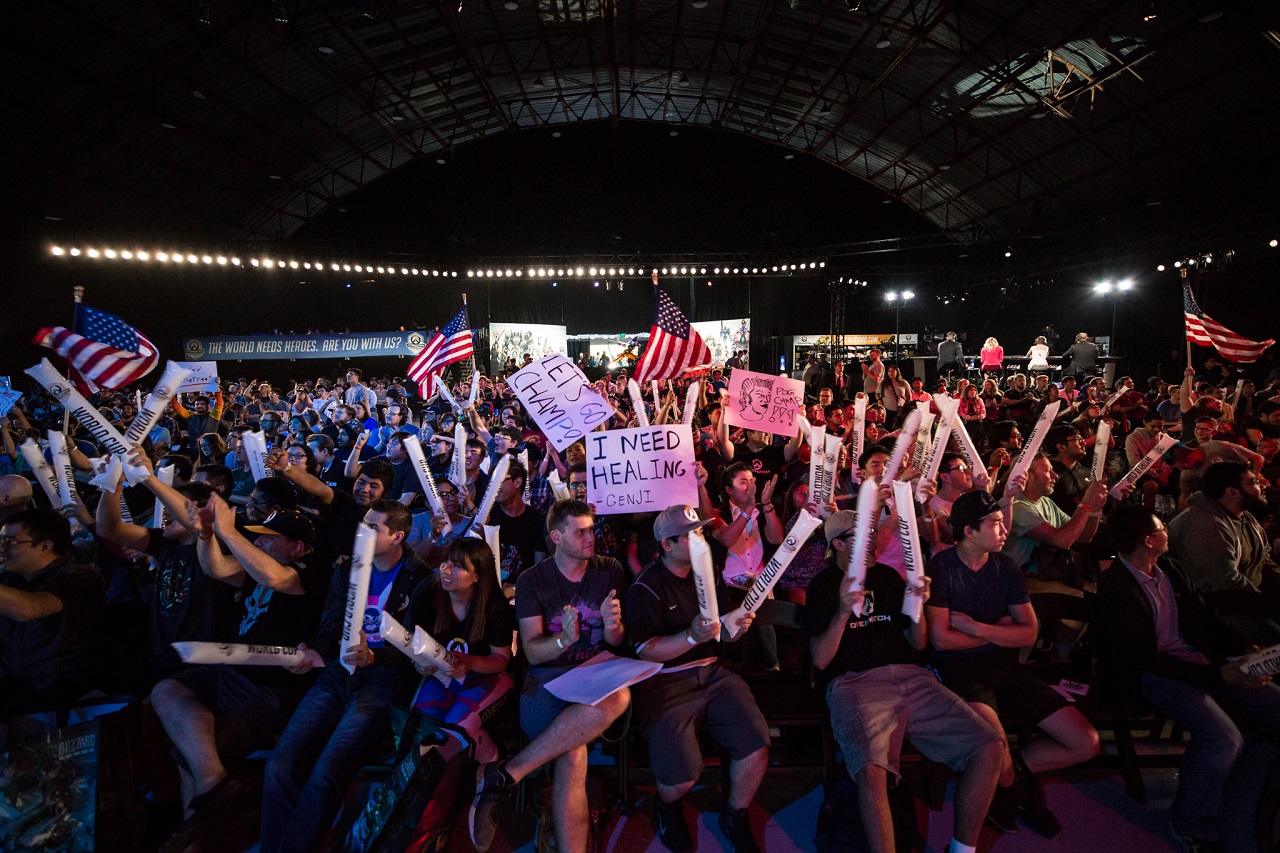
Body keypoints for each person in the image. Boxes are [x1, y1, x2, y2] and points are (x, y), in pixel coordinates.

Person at [809, 508, 1003, 853]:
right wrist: (841, 612)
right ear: (839, 544)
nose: (872, 540)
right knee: (872, 770)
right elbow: (821, 659)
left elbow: (918, 643)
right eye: (861, 536)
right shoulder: (822, 585)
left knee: (988, 746)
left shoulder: (887, 577)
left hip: (910, 675)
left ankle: (962, 850)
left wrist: (918, 607)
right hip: (855, 683)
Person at [1096, 505, 1280, 850]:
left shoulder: (1169, 569)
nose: (1169, 530)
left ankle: (1248, 798)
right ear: (1149, 540)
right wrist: (1219, 676)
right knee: (1222, 738)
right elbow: (1144, 658)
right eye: (1162, 527)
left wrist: (1243, 648)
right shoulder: (1115, 586)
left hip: (1200, 663)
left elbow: (1205, 619)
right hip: (1155, 674)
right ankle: (1190, 822)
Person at [258, 500, 432, 853]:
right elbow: (331, 627)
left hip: (385, 678)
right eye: (361, 525)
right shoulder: (349, 570)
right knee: (280, 763)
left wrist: (376, 654)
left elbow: (418, 649)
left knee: (327, 771)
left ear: (398, 536)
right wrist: (312, 650)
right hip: (339, 671)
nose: (360, 533)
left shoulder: (421, 579)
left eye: (373, 528)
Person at [926, 490, 1100, 838]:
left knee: (1086, 742)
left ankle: (1010, 777)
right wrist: (1001, 631)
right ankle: (1024, 799)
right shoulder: (942, 567)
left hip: (1007, 668)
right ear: (969, 531)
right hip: (961, 673)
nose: (1004, 527)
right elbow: (942, 640)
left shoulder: (1006, 567)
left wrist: (976, 628)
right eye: (994, 522)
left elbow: (1028, 633)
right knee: (995, 743)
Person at [467, 499, 629, 853]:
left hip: (595, 671)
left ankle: (508, 773)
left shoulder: (609, 569)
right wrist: (563, 640)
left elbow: (615, 642)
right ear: (556, 536)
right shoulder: (532, 580)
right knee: (573, 755)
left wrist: (614, 627)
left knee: (621, 696)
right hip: (547, 680)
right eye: (581, 531)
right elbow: (532, 651)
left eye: (592, 528)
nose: (591, 537)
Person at [154, 497, 322, 832]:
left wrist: (229, 532)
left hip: (265, 689)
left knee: (188, 759)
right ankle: (213, 781)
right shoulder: (255, 565)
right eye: (258, 536)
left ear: (296, 546)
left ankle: (197, 834)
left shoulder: (312, 572)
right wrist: (206, 537)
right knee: (166, 691)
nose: (258, 541)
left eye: (268, 537)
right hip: (228, 671)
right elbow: (213, 568)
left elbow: (276, 579)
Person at [627, 506, 768, 853]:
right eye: (692, 535)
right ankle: (668, 805)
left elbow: (721, 632)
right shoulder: (646, 586)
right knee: (683, 774)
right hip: (665, 680)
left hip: (714, 672)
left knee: (756, 742)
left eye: (701, 532)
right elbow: (646, 651)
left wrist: (735, 627)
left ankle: (735, 813)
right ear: (667, 544)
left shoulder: (709, 572)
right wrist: (690, 637)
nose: (702, 540)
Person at [0, 508, 105, 716]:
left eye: (10, 542)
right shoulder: (13, 578)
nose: (1, 549)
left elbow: (31, 608)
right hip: (16, 679)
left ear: (44, 546)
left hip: (59, 686)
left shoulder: (79, 576)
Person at [1167, 461, 1280, 645]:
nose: (1262, 486)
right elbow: (1227, 582)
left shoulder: (1243, 516)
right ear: (1232, 491)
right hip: (1217, 607)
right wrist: (1271, 606)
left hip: (1248, 599)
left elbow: (1263, 560)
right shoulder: (1205, 524)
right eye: (1253, 483)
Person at [485, 460, 549, 586]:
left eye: (499, 480)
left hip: (523, 592)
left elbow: (539, 567)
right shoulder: (487, 516)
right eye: (492, 482)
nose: (494, 487)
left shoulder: (536, 520)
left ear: (517, 482)